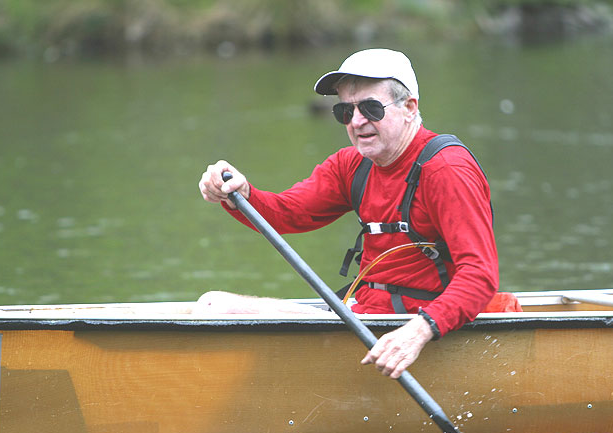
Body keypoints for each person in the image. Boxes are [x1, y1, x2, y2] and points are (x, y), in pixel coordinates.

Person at [198, 48, 505, 379]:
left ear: (409, 108)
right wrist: (240, 194)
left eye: (371, 108)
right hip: (366, 315)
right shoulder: (352, 165)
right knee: (213, 306)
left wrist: (418, 332)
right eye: (345, 111)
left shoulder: (447, 169)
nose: (357, 122)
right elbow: (286, 214)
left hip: (424, 328)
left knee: (215, 307)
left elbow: (480, 275)